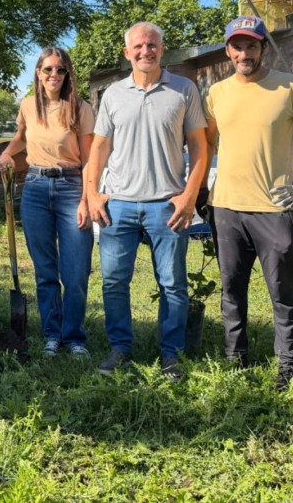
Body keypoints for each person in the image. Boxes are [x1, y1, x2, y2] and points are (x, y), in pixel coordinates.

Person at [203, 16, 293, 391]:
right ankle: (235, 359)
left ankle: (288, 367)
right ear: (228, 50)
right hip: (227, 208)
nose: (243, 53)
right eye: (237, 46)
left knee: (282, 292)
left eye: (251, 45)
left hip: (274, 210)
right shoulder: (216, 93)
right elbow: (208, 144)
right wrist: (201, 191)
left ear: (264, 47)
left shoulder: (291, 87)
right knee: (231, 289)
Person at [84, 22, 208, 380]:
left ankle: (171, 355)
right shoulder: (113, 94)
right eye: (137, 46)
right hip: (118, 204)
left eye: (151, 44)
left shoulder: (184, 90)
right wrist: (92, 191)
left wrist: (189, 196)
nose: (145, 51)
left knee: (172, 283)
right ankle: (119, 349)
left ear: (162, 48)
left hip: (167, 206)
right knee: (113, 281)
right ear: (127, 53)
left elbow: (200, 148)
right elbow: (100, 147)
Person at [0, 47, 95, 358]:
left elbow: (90, 158)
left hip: (71, 186)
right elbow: (22, 136)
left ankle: (75, 338)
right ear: (38, 73)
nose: (54, 75)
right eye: (48, 69)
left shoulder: (80, 108)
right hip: (36, 189)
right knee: (45, 271)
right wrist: (8, 152)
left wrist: (87, 198)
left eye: (61, 70)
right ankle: (52, 335)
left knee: (76, 272)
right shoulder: (28, 106)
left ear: (68, 76)